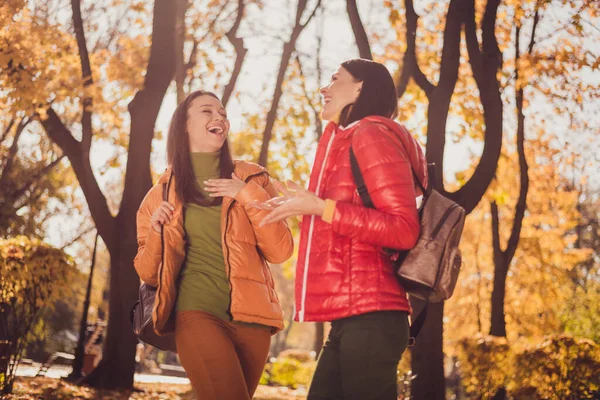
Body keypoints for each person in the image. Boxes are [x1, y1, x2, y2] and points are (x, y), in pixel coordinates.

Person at [254, 59, 428, 400]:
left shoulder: (371, 134)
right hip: (352, 315)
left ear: (360, 88)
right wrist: (306, 208)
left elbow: (404, 229)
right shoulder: (348, 140)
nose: (325, 88)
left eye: (335, 79)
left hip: (373, 316)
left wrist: (321, 208)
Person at [133, 90, 294, 400]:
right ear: (184, 125)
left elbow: (281, 251)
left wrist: (245, 194)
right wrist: (156, 232)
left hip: (254, 321)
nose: (219, 117)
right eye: (207, 111)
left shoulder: (254, 177)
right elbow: (148, 273)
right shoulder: (161, 194)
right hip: (196, 312)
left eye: (222, 112)